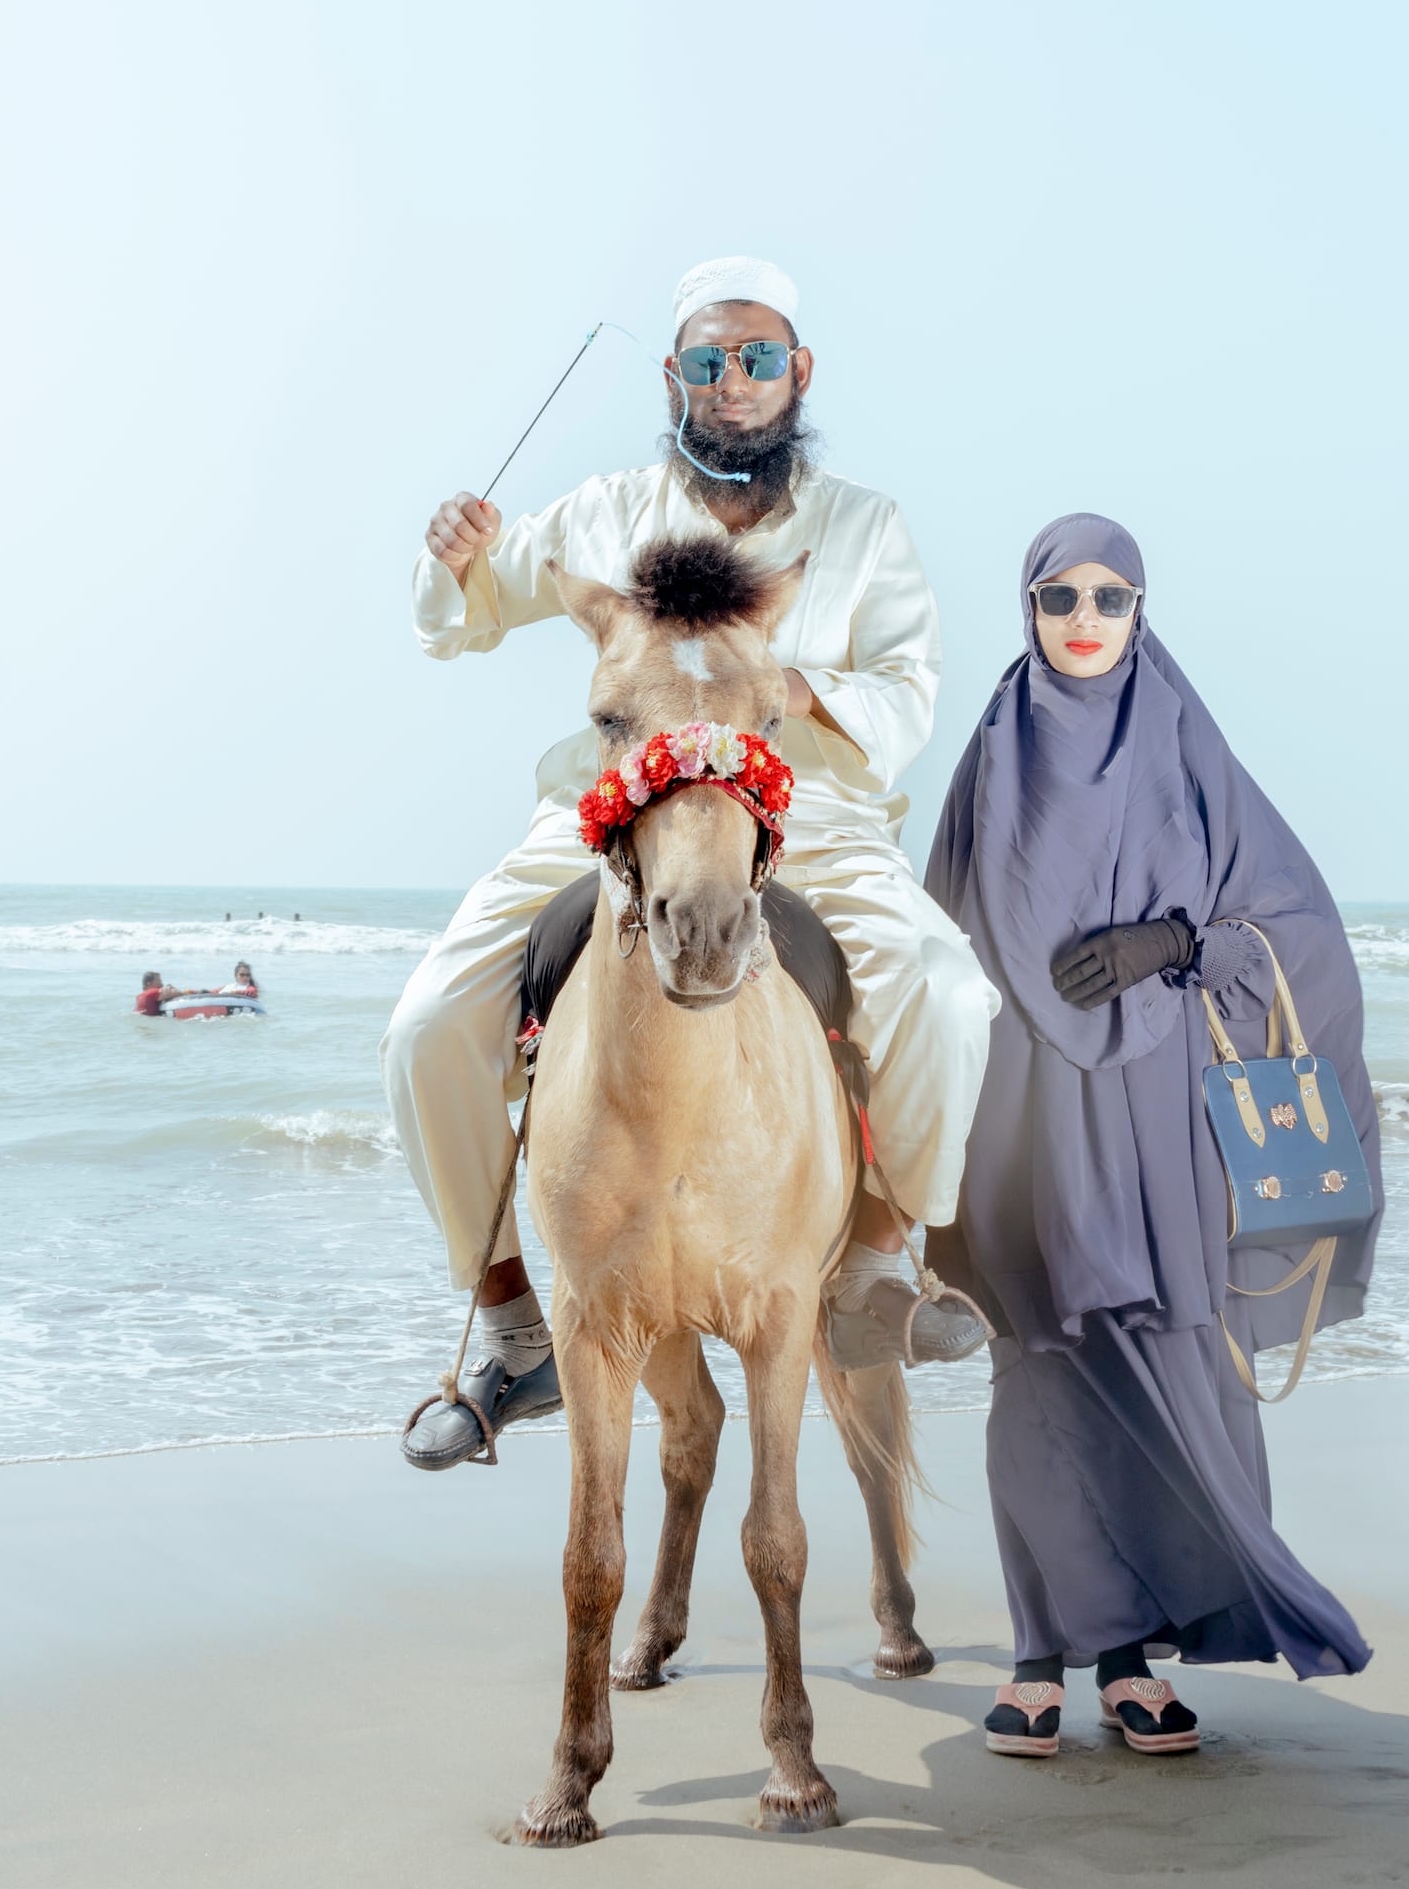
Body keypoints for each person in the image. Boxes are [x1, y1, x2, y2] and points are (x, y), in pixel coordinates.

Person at [387, 256, 1000, 1471]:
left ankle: (879, 1255)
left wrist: (792, 688)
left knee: (945, 990)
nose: (734, 381)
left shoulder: (863, 526)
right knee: (422, 1026)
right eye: (710, 361)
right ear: (674, 376)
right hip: (613, 808)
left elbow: (909, 692)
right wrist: (451, 552)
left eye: (759, 358)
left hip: (806, 808)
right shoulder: (601, 509)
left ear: (797, 373)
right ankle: (512, 1323)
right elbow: (463, 614)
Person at [925, 514, 1376, 1758]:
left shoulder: (1184, 742)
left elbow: (1293, 925)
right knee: (1042, 1365)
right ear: (1024, 608)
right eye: (1057, 593)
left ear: (1140, 609)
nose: (1083, 615)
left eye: (1110, 595)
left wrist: (1173, 946)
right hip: (1020, 1108)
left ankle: (1128, 1658)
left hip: (1160, 1105)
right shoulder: (993, 752)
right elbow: (934, 948)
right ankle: (1039, 1652)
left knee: (1163, 1358)